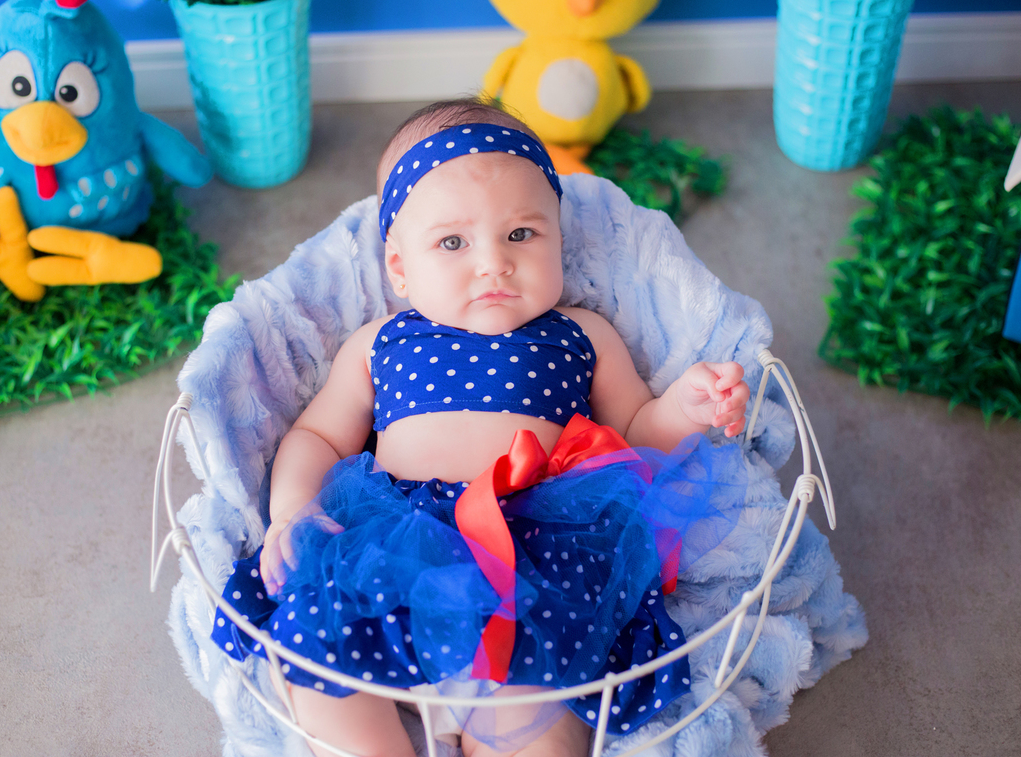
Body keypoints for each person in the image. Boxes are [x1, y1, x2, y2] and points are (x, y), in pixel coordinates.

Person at [211, 98, 751, 757]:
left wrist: (686, 407)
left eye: (521, 234)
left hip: (534, 545)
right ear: (400, 268)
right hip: (394, 540)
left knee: (547, 693)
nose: (493, 262)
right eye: (452, 243)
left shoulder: (581, 334)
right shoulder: (381, 343)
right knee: (316, 646)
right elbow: (318, 436)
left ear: (559, 239)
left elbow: (637, 430)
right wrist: (293, 510)